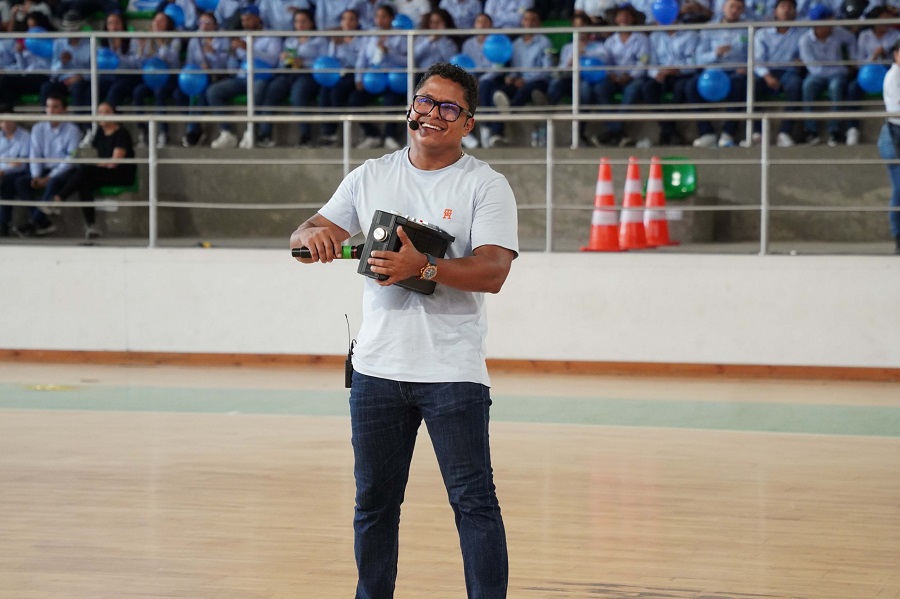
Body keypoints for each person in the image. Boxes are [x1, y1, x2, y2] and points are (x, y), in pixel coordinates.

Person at [289, 61, 517, 599]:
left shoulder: (484, 185)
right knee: (373, 503)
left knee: (474, 504)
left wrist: (426, 266)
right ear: (409, 107)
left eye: (448, 107)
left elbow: (494, 271)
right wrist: (309, 237)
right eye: (424, 101)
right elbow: (307, 235)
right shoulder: (370, 174)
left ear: (467, 123)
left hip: (451, 372)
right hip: (375, 370)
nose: (432, 113)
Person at [50, 102, 135, 239]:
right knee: (84, 182)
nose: (102, 116)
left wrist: (94, 165)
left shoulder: (122, 133)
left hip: (121, 173)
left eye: (106, 112)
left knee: (85, 171)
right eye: (100, 112)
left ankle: (59, 198)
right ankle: (91, 226)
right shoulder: (100, 133)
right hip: (104, 171)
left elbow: (114, 162)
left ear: (114, 115)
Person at [206, 4, 282, 149]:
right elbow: (232, 68)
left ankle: (251, 131)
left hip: (261, 77)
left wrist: (249, 48)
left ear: (258, 19)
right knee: (213, 91)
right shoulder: (241, 37)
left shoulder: (271, 36)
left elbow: (272, 60)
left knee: (257, 91)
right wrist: (233, 54)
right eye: (243, 20)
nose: (245, 23)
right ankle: (227, 133)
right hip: (242, 77)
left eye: (248, 19)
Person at [478, 9, 553, 147]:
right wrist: (511, 78)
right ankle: (496, 134)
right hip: (519, 82)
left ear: (539, 23)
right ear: (521, 22)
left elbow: (547, 70)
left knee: (525, 90)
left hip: (537, 81)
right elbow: (513, 69)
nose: (529, 23)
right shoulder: (516, 44)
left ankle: (509, 110)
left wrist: (526, 80)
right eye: (526, 19)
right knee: (496, 91)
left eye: (533, 19)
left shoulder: (544, 42)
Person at [580, 2, 650, 147]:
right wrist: (611, 74)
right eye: (620, 15)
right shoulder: (611, 41)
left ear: (633, 19)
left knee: (632, 90)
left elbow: (643, 62)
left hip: (634, 77)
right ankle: (617, 132)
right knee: (599, 88)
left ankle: (613, 130)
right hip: (614, 77)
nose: (623, 18)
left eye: (627, 15)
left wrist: (629, 76)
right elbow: (605, 61)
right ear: (616, 19)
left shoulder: (642, 39)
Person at [256, 8, 327, 147]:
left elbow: (324, 62)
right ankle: (265, 134)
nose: (300, 25)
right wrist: (284, 59)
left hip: (308, 75)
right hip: (289, 73)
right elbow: (282, 60)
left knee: (298, 94)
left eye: (303, 21)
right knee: (272, 90)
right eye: (297, 22)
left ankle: (305, 136)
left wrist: (304, 63)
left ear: (311, 23)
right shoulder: (290, 39)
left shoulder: (320, 40)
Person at [13, 91, 80, 237]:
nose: (51, 110)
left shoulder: (72, 130)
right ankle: (42, 223)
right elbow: (35, 154)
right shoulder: (38, 128)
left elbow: (70, 159)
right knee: (21, 182)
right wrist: (36, 176)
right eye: (48, 107)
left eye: (55, 107)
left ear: (64, 110)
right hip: (43, 169)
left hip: (63, 171)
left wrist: (49, 177)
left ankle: (33, 223)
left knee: (53, 183)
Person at [687, 0, 750, 148]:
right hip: (713, 72)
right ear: (723, 8)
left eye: (738, 8)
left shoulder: (747, 29)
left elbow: (753, 54)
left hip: (736, 71)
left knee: (739, 84)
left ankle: (728, 133)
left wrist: (747, 67)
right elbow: (699, 58)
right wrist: (715, 54)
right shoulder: (709, 28)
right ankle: (706, 132)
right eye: (732, 7)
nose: (734, 10)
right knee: (691, 85)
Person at [348, 3, 408, 150]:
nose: (380, 20)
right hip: (372, 79)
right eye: (377, 16)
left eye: (384, 17)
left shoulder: (401, 35)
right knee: (354, 101)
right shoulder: (370, 35)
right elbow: (362, 58)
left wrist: (389, 52)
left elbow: (408, 60)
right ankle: (372, 135)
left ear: (392, 18)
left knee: (391, 100)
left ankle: (390, 136)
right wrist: (358, 78)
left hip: (393, 79)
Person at [798, 3, 857, 145]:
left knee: (836, 86)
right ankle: (810, 131)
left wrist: (852, 60)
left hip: (836, 75)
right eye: (828, 21)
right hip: (818, 75)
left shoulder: (839, 32)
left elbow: (851, 40)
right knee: (808, 86)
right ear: (817, 24)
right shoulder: (805, 40)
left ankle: (834, 130)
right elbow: (814, 69)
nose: (831, 24)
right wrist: (842, 69)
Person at [749, 0, 805, 147]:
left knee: (796, 85)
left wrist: (802, 60)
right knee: (751, 86)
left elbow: (805, 54)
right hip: (767, 71)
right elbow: (758, 60)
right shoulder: (762, 33)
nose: (786, 10)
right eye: (783, 6)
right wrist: (767, 76)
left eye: (790, 7)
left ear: (795, 12)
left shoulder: (801, 33)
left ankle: (784, 133)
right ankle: (756, 133)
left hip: (788, 71)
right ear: (775, 11)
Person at [642, 15, 699, 146]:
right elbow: (651, 62)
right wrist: (657, 73)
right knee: (647, 88)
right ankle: (670, 131)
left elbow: (693, 62)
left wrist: (677, 69)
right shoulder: (654, 36)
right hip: (661, 75)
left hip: (681, 74)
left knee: (680, 89)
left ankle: (667, 131)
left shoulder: (690, 34)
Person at [131, 10, 184, 149]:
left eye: (162, 21)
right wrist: (141, 50)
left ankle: (163, 133)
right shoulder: (147, 39)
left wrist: (161, 43)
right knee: (137, 91)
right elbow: (139, 65)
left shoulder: (175, 38)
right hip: (151, 79)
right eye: (156, 20)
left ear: (168, 24)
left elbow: (172, 60)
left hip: (170, 78)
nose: (158, 23)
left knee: (159, 91)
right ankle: (142, 131)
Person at [181, 11, 230, 147]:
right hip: (199, 76)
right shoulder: (194, 40)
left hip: (218, 75)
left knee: (203, 90)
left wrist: (212, 54)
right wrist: (198, 69)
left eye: (208, 23)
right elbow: (189, 63)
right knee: (191, 91)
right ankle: (193, 128)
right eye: (202, 23)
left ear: (215, 25)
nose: (204, 26)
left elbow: (226, 63)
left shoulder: (223, 38)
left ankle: (193, 129)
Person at [318, 8, 366, 147]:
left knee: (336, 91)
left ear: (357, 22)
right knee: (324, 91)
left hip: (354, 74)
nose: (348, 22)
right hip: (338, 74)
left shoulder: (361, 39)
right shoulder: (336, 38)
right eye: (344, 19)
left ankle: (332, 131)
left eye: (352, 19)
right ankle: (327, 132)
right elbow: (331, 60)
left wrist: (344, 45)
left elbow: (357, 61)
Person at [877, 38, 900, 254]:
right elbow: (896, 108)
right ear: (896, 54)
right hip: (894, 133)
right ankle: (898, 238)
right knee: (899, 188)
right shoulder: (893, 77)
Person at [0, 105, 31, 237]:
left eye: (8, 120)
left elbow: (21, 164)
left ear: (15, 120)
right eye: (2, 121)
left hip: (17, 173)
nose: (5, 124)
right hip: (3, 172)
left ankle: (3, 225)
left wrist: (3, 170)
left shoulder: (25, 136)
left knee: (8, 183)